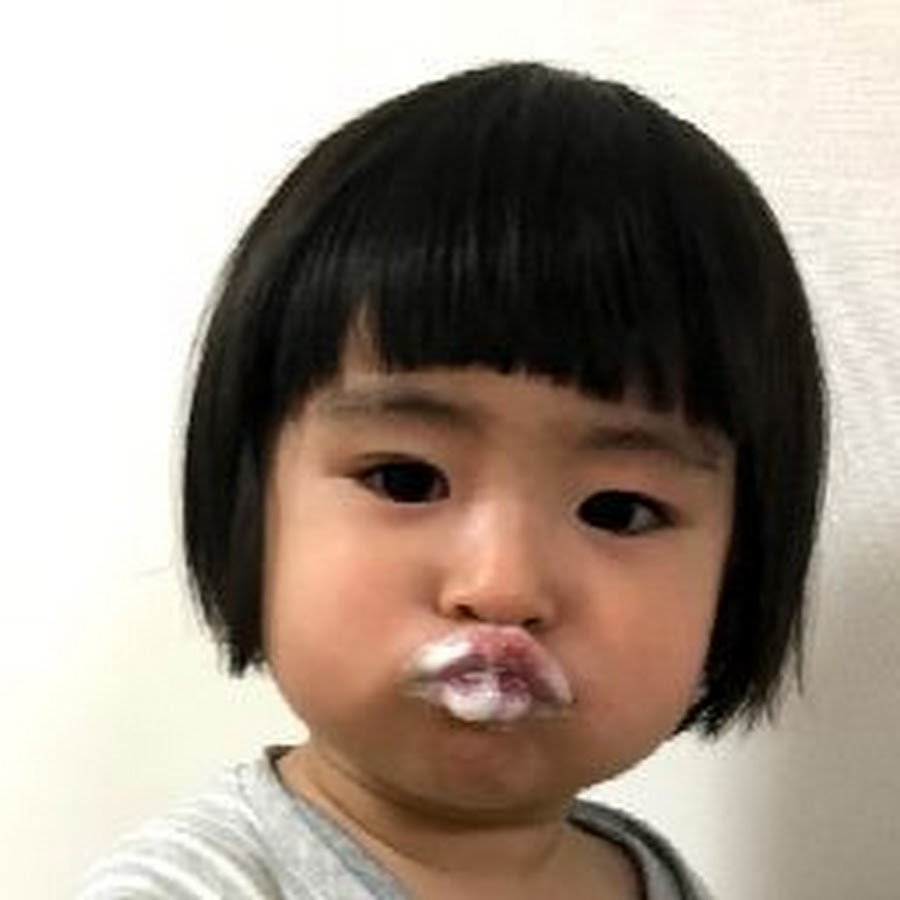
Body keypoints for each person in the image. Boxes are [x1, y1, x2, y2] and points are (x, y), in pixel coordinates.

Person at [79, 61, 825, 899]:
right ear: (249, 507)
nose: (503, 586)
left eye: (619, 510)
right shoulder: (199, 886)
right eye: (405, 479)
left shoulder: (659, 878)